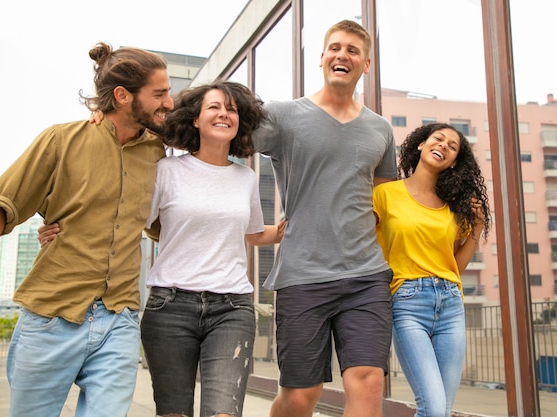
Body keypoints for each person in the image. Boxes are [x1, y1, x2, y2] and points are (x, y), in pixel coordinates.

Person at [0, 42, 174, 417]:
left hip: (119, 318)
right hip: (50, 317)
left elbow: (164, 224)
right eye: (160, 93)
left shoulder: (157, 151)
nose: (169, 102)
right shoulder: (62, 140)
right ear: (121, 96)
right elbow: (0, 201)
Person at [40, 80, 286, 417]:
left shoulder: (245, 178)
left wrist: (292, 230)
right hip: (170, 307)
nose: (224, 114)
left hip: (231, 308)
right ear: (195, 119)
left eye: (231, 109)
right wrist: (65, 230)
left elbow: (255, 234)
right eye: (214, 107)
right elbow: (124, 216)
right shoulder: (166, 170)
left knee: (224, 413)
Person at [251, 20, 397, 417]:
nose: (342, 55)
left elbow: (386, 201)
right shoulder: (282, 115)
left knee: (368, 381)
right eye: (335, 47)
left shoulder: (380, 129)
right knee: (301, 395)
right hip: (303, 273)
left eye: (352, 50)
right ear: (321, 58)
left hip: (366, 275)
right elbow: (227, 143)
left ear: (365, 64)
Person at [372, 123, 490, 417]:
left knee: (444, 410)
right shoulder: (385, 195)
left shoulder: (453, 208)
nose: (444, 146)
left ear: (453, 162)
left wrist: (477, 227)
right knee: (434, 408)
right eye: (439, 139)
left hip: (450, 302)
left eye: (452, 147)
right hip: (407, 302)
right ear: (421, 145)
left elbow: (454, 265)